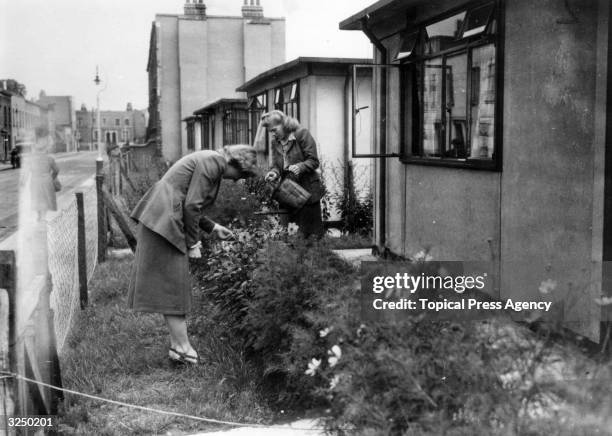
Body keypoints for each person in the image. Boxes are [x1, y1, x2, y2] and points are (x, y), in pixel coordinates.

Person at [128, 145, 258, 365]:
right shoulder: (214, 162)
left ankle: (177, 348)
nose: (237, 180)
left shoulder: (211, 160)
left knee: (172, 285)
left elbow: (189, 201)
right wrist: (193, 243)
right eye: (241, 175)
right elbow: (191, 205)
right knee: (173, 286)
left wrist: (213, 227)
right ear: (235, 163)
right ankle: (183, 349)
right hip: (165, 219)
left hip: (165, 215)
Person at [261, 110, 325, 239]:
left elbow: (313, 161)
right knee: (291, 235)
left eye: (274, 130)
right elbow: (276, 165)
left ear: (284, 124)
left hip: (308, 193)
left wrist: (300, 167)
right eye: (270, 132)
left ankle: (314, 259)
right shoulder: (275, 142)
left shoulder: (301, 134)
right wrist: (274, 173)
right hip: (288, 193)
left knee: (311, 237)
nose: (273, 134)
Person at [23, 127, 59, 221]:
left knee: (36, 197)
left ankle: (39, 216)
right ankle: (43, 216)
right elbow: (56, 170)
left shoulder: (31, 159)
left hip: (35, 180)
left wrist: (24, 181)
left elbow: (27, 171)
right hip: (46, 180)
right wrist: (51, 178)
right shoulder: (49, 158)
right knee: (45, 198)